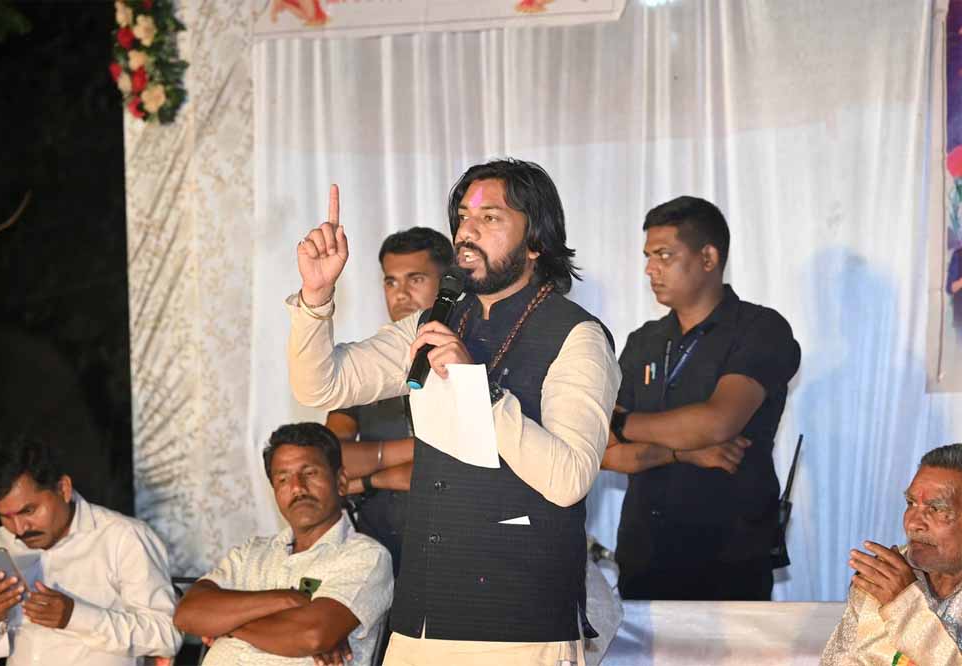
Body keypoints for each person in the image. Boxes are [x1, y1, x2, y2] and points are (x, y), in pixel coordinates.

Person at [287, 159, 621, 664]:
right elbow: (321, 384)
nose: (467, 231)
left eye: (490, 218)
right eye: (463, 216)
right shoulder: (439, 318)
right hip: (421, 619)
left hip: (519, 625)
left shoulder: (578, 336)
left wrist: (477, 386)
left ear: (536, 240)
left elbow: (569, 478)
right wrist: (316, 298)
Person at [605, 195, 801, 601]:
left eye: (664, 255)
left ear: (708, 257)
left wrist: (622, 422)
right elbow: (604, 451)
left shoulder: (760, 328)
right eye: (648, 256)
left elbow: (717, 423)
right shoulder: (643, 341)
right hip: (645, 555)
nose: (650, 269)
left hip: (729, 559)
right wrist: (681, 453)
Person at [174, 422, 394, 666]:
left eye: (309, 473)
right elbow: (187, 613)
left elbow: (312, 635)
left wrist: (225, 623)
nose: (297, 487)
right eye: (283, 479)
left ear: (341, 481)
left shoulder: (364, 556)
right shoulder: (251, 552)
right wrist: (285, 599)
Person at [0, 438, 182, 665]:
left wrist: (76, 617)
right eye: (6, 517)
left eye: (29, 511)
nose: (19, 529)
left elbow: (166, 636)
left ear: (63, 489)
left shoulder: (123, 538)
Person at [325, 226, 454, 576]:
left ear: (447, 283)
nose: (401, 294)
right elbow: (332, 460)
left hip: (456, 547)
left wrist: (371, 479)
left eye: (416, 279)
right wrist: (419, 451)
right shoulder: (368, 366)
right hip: (380, 550)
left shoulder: (467, 355)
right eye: (391, 282)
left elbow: (462, 465)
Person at [822, 443, 962, 665]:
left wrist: (905, 607)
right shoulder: (885, 576)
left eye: (936, 509)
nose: (912, 523)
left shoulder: (895, 587)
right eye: (911, 503)